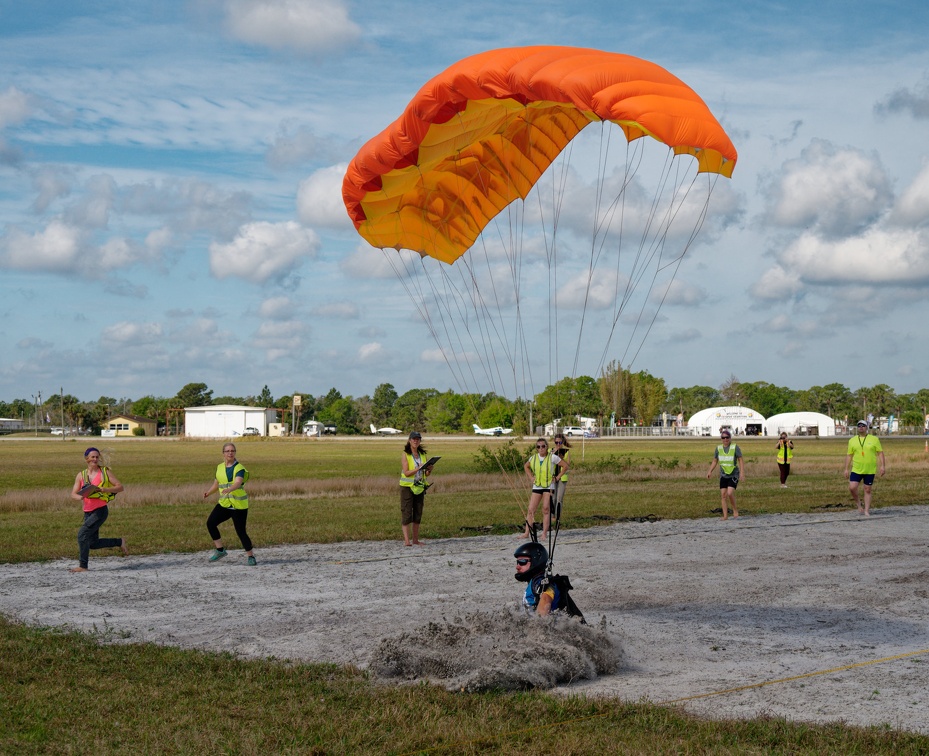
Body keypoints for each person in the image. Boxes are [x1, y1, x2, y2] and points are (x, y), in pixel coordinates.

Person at [69, 447, 127, 572]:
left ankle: (83, 566)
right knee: (92, 543)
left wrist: (105, 489)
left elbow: (120, 487)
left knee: (82, 535)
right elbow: (73, 494)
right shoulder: (81, 475)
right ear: (87, 459)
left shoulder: (105, 472)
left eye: (97, 457)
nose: (95, 459)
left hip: (100, 511)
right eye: (92, 457)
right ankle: (119, 542)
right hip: (87, 511)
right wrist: (80, 496)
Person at [203, 443, 256, 565]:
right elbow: (217, 484)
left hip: (238, 505)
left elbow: (238, 482)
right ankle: (220, 550)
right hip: (225, 504)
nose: (230, 453)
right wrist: (209, 492)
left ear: (235, 453)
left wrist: (231, 489)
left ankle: (251, 556)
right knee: (211, 523)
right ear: (223, 453)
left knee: (240, 531)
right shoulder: (219, 467)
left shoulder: (239, 468)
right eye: (227, 451)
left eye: (232, 451)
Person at [522, 438, 566, 539]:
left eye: (543, 446)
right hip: (537, 485)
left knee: (546, 509)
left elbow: (565, 466)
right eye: (538, 447)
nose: (541, 448)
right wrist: (530, 477)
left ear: (547, 447)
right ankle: (526, 532)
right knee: (531, 509)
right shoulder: (533, 458)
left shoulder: (552, 457)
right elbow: (526, 466)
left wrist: (558, 477)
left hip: (549, 486)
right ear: (536, 448)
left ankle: (544, 533)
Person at [844, 420, 886, 516]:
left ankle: (866, 510)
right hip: (857, 468)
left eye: (863, 425)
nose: (861, 427)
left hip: (870, 469)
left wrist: (883, 466)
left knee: (867, 489)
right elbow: (849, 455)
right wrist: (846, 468)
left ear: (867, 427)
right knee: (852, 487)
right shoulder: (852, 440)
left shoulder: (874, 439)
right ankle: (859, 504)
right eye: (859, 426)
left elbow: (880, 453)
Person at [399, 431, 433, 546]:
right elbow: (407, 472)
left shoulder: (423, 454)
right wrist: (418, 468)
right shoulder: (406, 454)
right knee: (407, 512)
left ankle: (415, 540)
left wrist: (428, 470)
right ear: (409, 440)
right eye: (413, 439)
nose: (415, 441)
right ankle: (407, 541)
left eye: (418, 439)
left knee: (418, 513)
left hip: (419, 486)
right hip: (407, 487)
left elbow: (426, 474)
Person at [706, 430, 744, 520]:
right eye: (723, 437)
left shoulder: (735, 447)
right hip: (723, 475)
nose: (725, 439)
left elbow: (740, 459)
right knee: (723, 495)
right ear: (721, 439)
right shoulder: (718, 448)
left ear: (730, 438)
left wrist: (742, 473)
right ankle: (725, 516)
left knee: (730, 493)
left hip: (733, 474)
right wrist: (710, 471)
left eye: (727, 437)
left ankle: (735, 510)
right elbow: (715, 460)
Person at [551, 433, 572, 520]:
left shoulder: (566, 452)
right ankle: (552, 516)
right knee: (553, 497)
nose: (558, 444)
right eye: (556, 442)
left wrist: (561, 458)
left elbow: (567, 465)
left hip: (562, 477)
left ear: (563, 442)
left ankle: (558, 516)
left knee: (559, 498)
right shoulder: (550, 451)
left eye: (560, 443)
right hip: (552, 477)